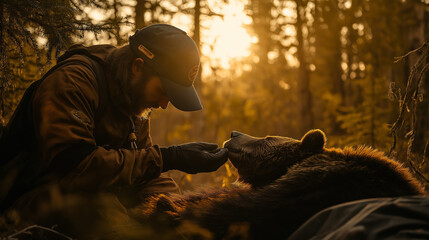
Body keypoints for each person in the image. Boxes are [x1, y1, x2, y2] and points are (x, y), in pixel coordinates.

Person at [0, 24, 228, 235]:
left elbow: (144, 172)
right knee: (106, 214)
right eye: (163, 91)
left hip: (86, 197)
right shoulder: (73, 81)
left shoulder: (132, 101)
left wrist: (176, 210)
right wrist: (170, 157)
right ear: (138, 66)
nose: (163, 104)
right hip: (27, 205)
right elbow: (76, 168)